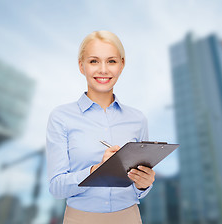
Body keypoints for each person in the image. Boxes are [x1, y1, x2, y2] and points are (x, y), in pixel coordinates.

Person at [46, 30, 155, 224]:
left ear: (122, 65)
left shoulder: (138, 119)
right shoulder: (61, 117)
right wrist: (97, 170)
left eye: (111, 61)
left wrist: (143, 185)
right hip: (79, 219)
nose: (103, 70)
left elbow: (140, 191)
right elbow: (56, 188)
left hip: (129, 217)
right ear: (81, 66)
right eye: (94, 61)